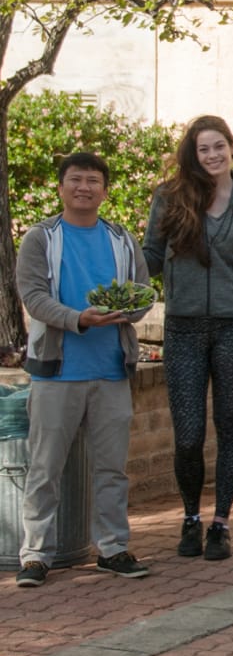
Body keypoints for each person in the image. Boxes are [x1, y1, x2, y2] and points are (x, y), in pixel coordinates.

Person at [15, 152, 152, 587]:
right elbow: (33, 296)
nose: (84, 188)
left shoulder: (121, 239)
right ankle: (36, 554)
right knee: (45, 467)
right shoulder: (41, 238)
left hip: (111, 370)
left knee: (112, 468)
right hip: (57, 371)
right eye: (76, 180)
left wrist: (127, 311)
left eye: (94, 181)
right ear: (61, 187)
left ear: (104, 190)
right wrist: (78, 318)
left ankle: (112, 548)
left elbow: (144, 293)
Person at [142, 116, 233, 561]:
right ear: (192, 154)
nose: (212, 155)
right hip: (183, 326)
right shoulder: (170, 197)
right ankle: (191, 516)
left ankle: (221, 523)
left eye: (220, 146)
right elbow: (151, 259)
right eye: (203, 149)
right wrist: (118, 275)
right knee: (188, 434)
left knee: (230, 425)